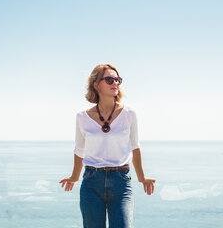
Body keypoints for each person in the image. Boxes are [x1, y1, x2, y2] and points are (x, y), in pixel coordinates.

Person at [59, 64, 155, 228]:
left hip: (121, 182)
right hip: (91, 182)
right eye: (110, 79)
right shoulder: (82, 117)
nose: (115, 83)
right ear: (96, 84)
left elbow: (135, 146)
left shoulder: (129, 113)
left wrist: (142, 178)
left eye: (118, 80)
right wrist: (74, 177)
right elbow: (79, 150)